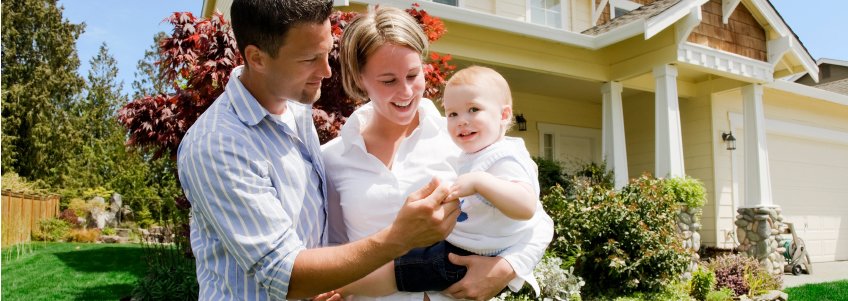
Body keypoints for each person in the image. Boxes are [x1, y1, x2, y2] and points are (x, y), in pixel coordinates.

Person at [177, 1, 462, 300]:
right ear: (257, 58)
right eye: (310, 59)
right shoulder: (217, 146)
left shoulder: (296, 111)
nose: (326, 71)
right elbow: (284, 275)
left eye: (326, 53)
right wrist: (399, 237)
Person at [322, 7, 554, 301]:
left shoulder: (464, 139)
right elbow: (334, 247)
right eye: (388, 80)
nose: (406, 91)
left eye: (412, 74)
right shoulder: (332, 159)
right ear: (359, 79)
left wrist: (506, 268)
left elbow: (538, 221)